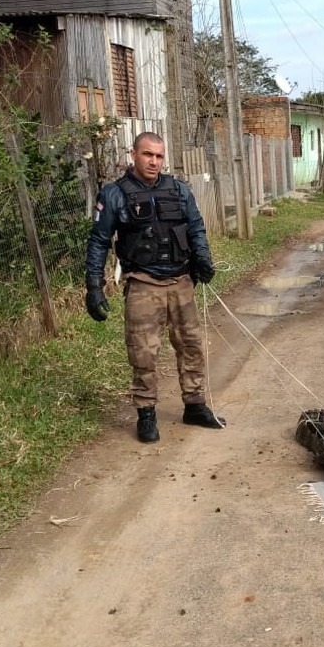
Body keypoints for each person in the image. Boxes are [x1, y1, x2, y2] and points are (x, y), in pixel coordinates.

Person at [84, 131, 226, 443]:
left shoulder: (178, 190)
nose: (154, 161)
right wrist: (93, 285)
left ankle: (195, 405)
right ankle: (146, 414)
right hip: (143, 284)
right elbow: (98, 241)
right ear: (133, 154)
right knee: (143, 353)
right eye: (148, 154)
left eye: (159, 156)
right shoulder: (114, 194)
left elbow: (196, 227)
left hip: (181, 281)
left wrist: (202, 258)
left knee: (191, 346)